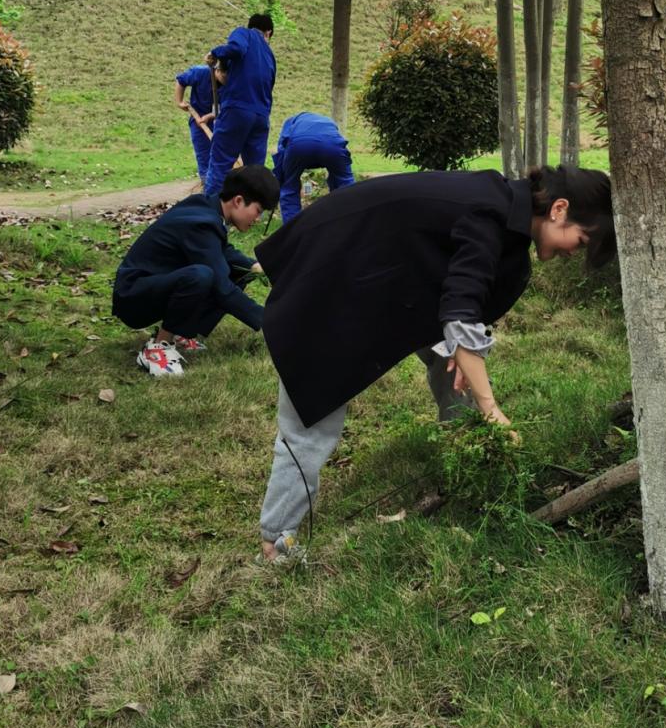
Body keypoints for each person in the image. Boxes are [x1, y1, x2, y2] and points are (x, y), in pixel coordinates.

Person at [252, 164, 615, 561]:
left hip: (389, 282)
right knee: (310, 419)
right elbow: (460, 314)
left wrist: (466, 356)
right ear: (559, 210)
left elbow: (463, 308)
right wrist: (492, 409)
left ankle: (468, 472)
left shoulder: (504, 209)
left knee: (457, 369)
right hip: (332, 278)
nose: (571, 253)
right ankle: (277, 543)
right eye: (580, 242)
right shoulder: (490, 213)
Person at [112, 164, 280, 377]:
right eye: (258, 211)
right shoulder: (202, 223)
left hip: (152, 285)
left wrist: (255, 268)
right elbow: (222, 287)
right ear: (238, 201)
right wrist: (269, 319)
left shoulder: (205, 209)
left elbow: (222, 252)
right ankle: (158, 348)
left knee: (236, 270)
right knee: (202, 276)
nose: (258, 219)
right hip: (133, 296)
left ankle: (181, 333)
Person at [202, 14, 276, 198]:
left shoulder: (244, 33)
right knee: (255, 170)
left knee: (221, 163)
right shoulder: (270, 56)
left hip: (237, 109)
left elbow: (235, 49)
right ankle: (252, 212)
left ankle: (210, 212)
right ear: (269, 32)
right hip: (261, 117)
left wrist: (215, 52)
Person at [272, 111, 356, 223]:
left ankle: (292, 230)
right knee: (345, 184)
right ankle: (350, 221)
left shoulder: (290, 121)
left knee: (289, 188)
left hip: (299, 145)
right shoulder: (328, 121)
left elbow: (282, 149)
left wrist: (281, 179)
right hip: (332, 146)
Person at [174, 61, 227, 186]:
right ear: (217, 70)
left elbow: (229, 105)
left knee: (222, 155)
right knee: (203, 155)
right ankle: (207, 187)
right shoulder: (200, 72)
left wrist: (211, 116)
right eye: (225, 76)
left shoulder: (233, 82)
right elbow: (181, 81)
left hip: (222, 119)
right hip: (198, 121)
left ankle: (224, 186)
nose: (227, 80)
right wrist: (179, 102)